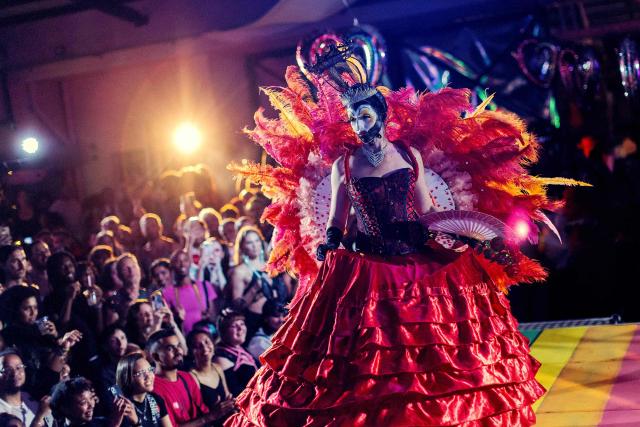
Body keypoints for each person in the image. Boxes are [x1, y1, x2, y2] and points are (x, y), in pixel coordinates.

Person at [225, 46, 549, 426]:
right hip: (367, 265)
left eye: (365, 115)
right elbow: (337, 221)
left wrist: (466, 235)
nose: (360, 124)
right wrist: (330, 241)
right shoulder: (343, 165)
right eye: (353, 117)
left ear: (380, 113)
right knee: (365, 364)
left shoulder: (409, 155)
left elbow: (428, 212)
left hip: (416, 256)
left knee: (434, 355)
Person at [147, 329, 226, 426]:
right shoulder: (153, 388)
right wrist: (210, 416)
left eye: (178, 346)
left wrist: (220, 410)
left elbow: (203, 413)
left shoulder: (187, 377)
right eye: (170, 348)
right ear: (156, 357)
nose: (178, 351)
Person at [228, 226, 287, 338]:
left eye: (256, 241)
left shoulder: (269, 265)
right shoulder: (239, 271)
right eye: (250, 243)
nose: (254, 246)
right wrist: (254, 288)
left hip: (276, 321)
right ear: (243, 247)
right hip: (255, 322)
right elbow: (236, 307)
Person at [186, 330, 234, 426]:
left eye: (207, 342)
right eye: (198, 346)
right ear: (191, 352)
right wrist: (213, 413)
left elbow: (227, 396)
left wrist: (232, 403)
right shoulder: (191, 376)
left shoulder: (217, 368)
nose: (204, 348)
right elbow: (196, 414)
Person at [162, 250, 216, 334]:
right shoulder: (167, 294)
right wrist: (177, 318)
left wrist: (208, 316)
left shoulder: (205, 286)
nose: (182, 264)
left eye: (185, 260)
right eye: (178, 261)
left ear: (190, 263)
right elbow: (167, 323)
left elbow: (214, 316)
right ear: (172, 265)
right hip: (184, 339)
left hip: (207, 337)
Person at [114, 353, 171, 427]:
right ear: (128, 378)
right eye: (141, 373)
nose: (149, 376)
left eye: (150, 370)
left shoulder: (156, 399)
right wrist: (136, 423)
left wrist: (137, 422)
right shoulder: (122, 406)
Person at [0, 349, 51, 427]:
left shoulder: (30, 395)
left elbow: (52, 373)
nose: (15, 373)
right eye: (7, 370)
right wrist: (39, 417)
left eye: (19, 367)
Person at [212, 311, 256, 398]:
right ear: (223, 332)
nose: (240, 328)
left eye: (242, 324)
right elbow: (236, 391)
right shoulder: (221, 356)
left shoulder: (241, 348)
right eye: (234, 326)